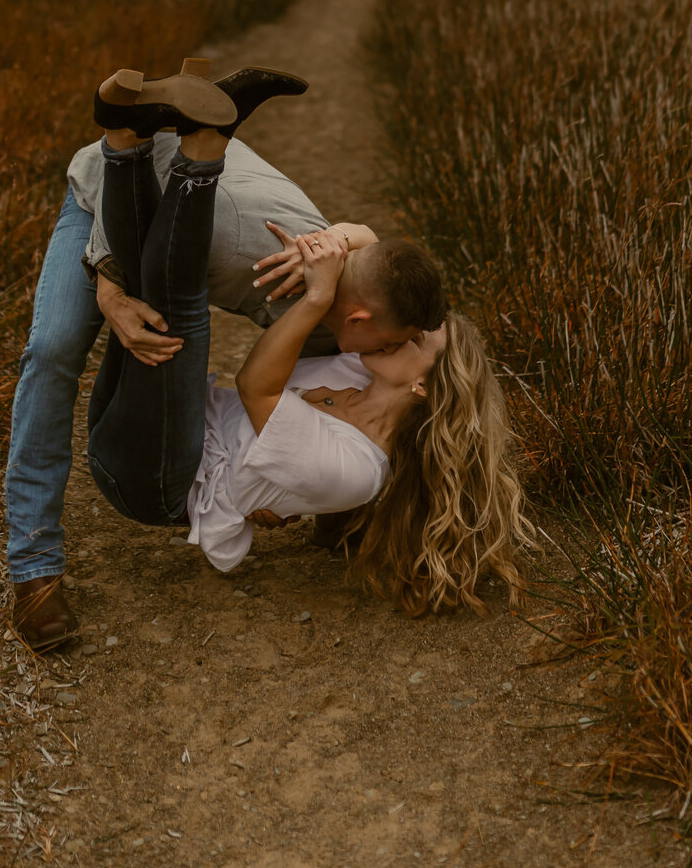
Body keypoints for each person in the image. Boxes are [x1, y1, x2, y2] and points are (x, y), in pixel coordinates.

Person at [6, 60, 446, 650]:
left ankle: (207, 130)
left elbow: (373, 245)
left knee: (319, 346)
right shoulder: (251, 253)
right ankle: (33, 567)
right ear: (361, 318)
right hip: (105, 205)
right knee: (55, 350)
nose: (390, 351)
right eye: (392, 340)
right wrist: (111, 292)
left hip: (192, 202)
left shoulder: (342, 284)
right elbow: (131, 240)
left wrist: (279, 485)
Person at [84, 79, 531, 614]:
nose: (400, 337)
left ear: (422, 383)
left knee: (178, 317)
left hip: (158, 481)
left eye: (415, 341)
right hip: (154, 429)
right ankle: (124, 137)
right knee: (150, 290)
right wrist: (339, 242)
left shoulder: (359, 472)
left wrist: (319, 295)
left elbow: (255, 387)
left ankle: (201, 147)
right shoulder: (356, 371)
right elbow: (383, 266)